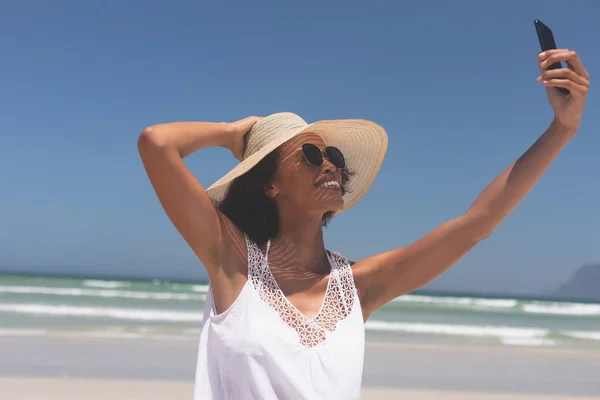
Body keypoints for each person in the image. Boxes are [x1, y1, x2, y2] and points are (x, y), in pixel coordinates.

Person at [137, 49, 590, 400]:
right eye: (311, 155)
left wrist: (563, 129)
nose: (330, 164)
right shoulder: (231, 262)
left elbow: (476, 224)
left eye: (333, 156)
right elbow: (157, 143)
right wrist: (235, 135)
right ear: (269, 184)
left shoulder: (360, 286)